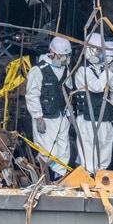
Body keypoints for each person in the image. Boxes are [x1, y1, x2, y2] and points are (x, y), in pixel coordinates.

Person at [69, 33, 113, 173]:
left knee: (104, 148)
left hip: (104, 117)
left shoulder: (102, 70)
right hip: (88, 118)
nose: (100, 54)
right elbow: (97, 87)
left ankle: (100, 176)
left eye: (101, 51)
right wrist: (108, 71)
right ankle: (88, 177)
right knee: (89, 150)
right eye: (98, 51)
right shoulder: (83, 71)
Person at [24, 36, 74, 179]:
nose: (65, 58)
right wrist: (38, 117)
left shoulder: (66, 69)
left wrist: (70, 114)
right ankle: (46, 176)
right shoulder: (38, 70)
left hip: (61, 115)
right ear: (52, 53)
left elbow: (69, 92)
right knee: (46, 150)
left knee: (63, 148)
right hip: (45, 117)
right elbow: (32, 95)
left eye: (67, 55)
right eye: (62, 56)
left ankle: (60, 177)